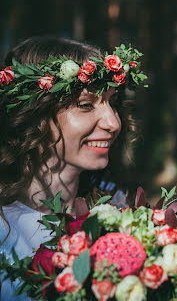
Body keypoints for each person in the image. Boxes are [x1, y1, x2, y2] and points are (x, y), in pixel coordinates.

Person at [0, 36, 146, 300]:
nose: (113, 123)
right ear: (35, 113)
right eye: (86, 105)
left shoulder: (121, 209)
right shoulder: (3, 226)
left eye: (112, 103)